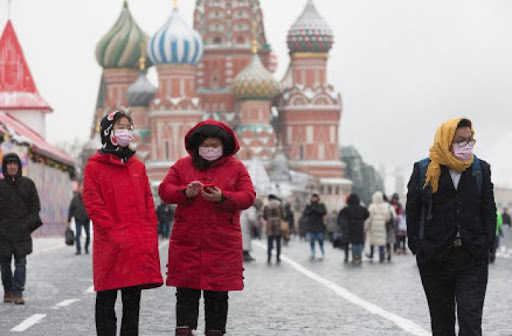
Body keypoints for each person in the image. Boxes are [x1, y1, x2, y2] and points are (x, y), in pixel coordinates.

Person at [158, 120, 255, 336]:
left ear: (224, 146)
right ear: (197, 145)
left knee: (218, 295)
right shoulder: (182, 166)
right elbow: (165, 191)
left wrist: (223, 197)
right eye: (205, 145)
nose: (209, 150)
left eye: (215, 145)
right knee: (185, 293)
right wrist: (185, 192)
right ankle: (184, 331)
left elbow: (248, 196)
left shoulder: (236, 168)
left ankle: (215, 331)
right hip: (188, 242)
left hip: (221, 243)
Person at [406, 118, 496, 335]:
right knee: (442, 323)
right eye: (460, 141)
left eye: (470, 140)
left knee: (471, 322)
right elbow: (413, 210)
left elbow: (488, 211)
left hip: (471, 256)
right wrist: (418, 247)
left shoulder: (480, 170)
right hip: (435, 258)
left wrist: (487, 245)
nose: (467, 146)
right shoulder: (424, 170)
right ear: (446, 141)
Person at [83, 110, 163, 336]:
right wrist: (113, 231)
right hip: (111, 243)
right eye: (121, 127)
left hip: (135, 243)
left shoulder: (138, 166)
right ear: (108, 131)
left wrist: (148, 230)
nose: (126, 132)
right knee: (106, 299)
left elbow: (148, 201)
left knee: (132, 301)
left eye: (129, 127)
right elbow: (92, 201)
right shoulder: (95, 166)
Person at [0, 153, 42, 305]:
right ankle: (8, 291)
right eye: (9, 164)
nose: (12, 167)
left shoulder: (28, 184)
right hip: (3, 233)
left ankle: (18, 292)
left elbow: (35, 206)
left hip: (22, 232)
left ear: (19, 166)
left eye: (14, 164)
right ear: (5, 167)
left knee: (21, 263)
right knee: (4, 265)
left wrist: (28, 225)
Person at [338, 194, 369, 265]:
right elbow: (367, 214)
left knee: (354, 243)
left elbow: (341, 217)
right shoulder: (361, 209)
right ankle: (359, 256)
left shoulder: (346, 209)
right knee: (360, 243)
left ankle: (355, 257)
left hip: (350, 228)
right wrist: (361, 220)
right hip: (359, 227)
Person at [365, 191, 391, 263]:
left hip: (373, 227)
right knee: (381, 241)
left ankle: (371, 254)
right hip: (382, 227)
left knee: (372, 241)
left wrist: (367, 226)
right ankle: (381, 255)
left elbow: (369, 218)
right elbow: (387, 217)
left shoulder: (372, 206)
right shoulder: (385, 206)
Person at [67, 184, 90, 255]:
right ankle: (78, 250)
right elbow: (71, 209)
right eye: (81, 189)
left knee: (88, 235)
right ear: (78, 190)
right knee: (78, 235)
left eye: (83, 189)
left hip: (86, 219)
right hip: (78, 219)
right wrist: (69, 219)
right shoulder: (75, 199)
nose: (82, 191)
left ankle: (86, 248)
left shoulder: (88, 198)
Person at [303, 193, 327, 259]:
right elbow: (305, 213)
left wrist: (316, 210)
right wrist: (311, 210)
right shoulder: (308, 206)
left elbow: (324, 212)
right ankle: (312, 251)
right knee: (312, 240)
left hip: (319, 225)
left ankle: (322, 250)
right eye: (313, 197)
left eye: (315, 197)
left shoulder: (321, 205)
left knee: (320, 239)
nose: (314, 199)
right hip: (311, 225)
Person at [263, 194, 284, 264]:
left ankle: (269, 257)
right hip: (278, 224)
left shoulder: (266, 206)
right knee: (278, 243)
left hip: (269, 225)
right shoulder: (279, 205)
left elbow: (264, 216)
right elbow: (283, 215)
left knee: (269, 243)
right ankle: (278, 257)